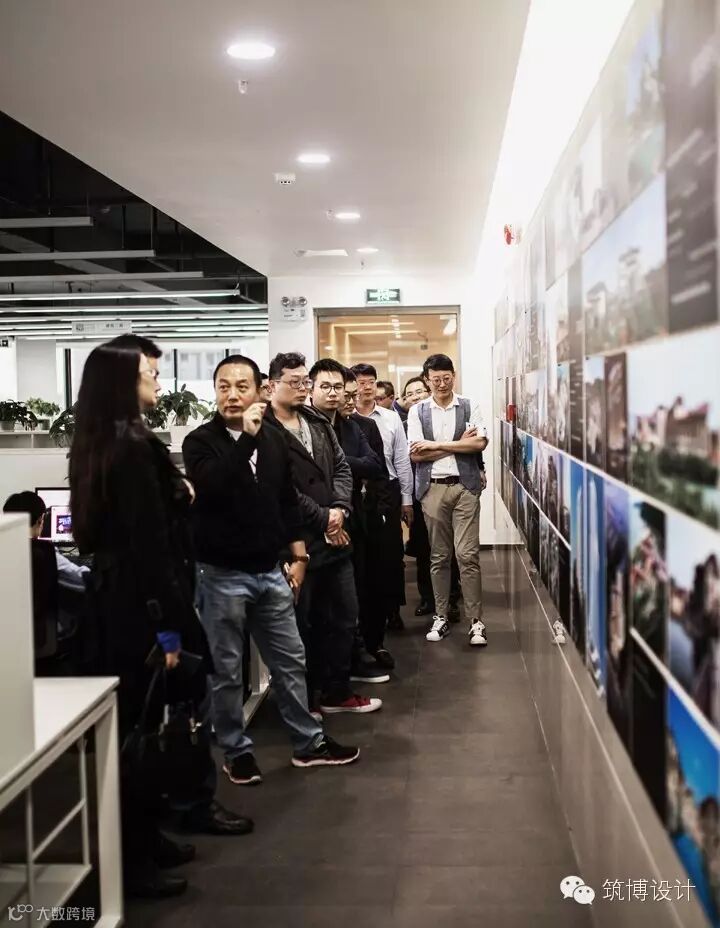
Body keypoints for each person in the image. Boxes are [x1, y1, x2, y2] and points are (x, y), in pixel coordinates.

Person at [69, 334, 251, 901]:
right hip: (144, 612)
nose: (156, 379)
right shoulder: (130, 448)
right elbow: (149, 548)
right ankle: (134, 859)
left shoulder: (100, 442)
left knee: (145, 726)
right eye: (149, 371)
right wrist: (170, 629)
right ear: (123, 381)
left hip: (122, 605)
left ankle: (148, 838)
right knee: (141, 735)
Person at [183, 354, 359, 785]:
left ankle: (308, 743)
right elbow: (215, 486)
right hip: (221, 574)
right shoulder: (200, 441)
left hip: (269, 569)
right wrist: (246, 437)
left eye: (241, 386)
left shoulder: (273, 441)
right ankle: (236, 751)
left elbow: (284, 503)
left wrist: (300, 557)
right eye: (224, 386)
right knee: (227, 669)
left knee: (290, 660)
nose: (232, 394)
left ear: (258, 389)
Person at [265, 352, 382, 715]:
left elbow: (343, 468)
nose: (302, 388)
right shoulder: (263, 429)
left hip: (335, 537)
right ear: (272, 385)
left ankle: (337, 691)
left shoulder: (316, 421)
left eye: (304, 381)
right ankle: (305, 701)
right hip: (294, 543)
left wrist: (340, 510)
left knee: (344, 617)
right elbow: (279, 487)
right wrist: (323, 517)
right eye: (295, 382)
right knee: (301, 625)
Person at [307, 359, 389, 683]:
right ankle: (327, 678)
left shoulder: (352, 426)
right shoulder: (305, 426)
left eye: (338, 388)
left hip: (351, 517)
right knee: (323, 608)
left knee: (352, 599)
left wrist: (338, 461)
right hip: (317, 524)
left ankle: (350, 665)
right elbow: (308, 478)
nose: (335, 394)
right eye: (326, 387)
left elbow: (375, 465)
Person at [408, 353, 489, 647]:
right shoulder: (418, 411)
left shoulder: (468, 405)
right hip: (433, 489)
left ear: (454, 376)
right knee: (439, 556)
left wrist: (437, 445)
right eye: (435, 379)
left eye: (446, 378)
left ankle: (476, 621)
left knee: (467, 555)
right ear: (427, 380)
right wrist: (458, 444)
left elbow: (479, 442)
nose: (441, 384)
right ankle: (440, 616)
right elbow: (416, 454)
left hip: (465, 487)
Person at [352, 363, 413, 633]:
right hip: (357, 491)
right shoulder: (346, 418)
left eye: (371, 382)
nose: (366, 387)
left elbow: (401, 460)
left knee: (391, 553)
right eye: (361, 382)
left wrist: (407, 499)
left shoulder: (390, 418)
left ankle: (393, 609)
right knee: (364, 554)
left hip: (387, 489)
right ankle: (364, 611)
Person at [341, 370, 396, 669]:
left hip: (370, 514)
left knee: (374, 584)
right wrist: (356, 465)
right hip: (340, 518)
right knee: (349, 589)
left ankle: (375, 644)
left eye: (353, 395)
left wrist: (384, 511)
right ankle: (351, 649)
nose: (351, 401)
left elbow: (378, 468)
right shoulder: (317, 429)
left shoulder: (364, 426)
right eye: (346, 395)